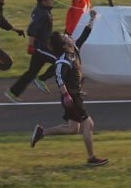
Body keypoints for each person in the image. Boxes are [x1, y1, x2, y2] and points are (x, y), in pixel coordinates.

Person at [30, 9, 108, 166]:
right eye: (67, 37)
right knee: (89, 124)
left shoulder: (75, 50)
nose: (70, 37)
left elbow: (85, 34)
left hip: (74, 95)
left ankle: (41, 132)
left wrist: (92, 19)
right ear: (66, 45)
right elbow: (58, 76)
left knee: (73, 128)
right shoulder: (63, 60)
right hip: (71, 98)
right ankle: (91, 158)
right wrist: (66, 95)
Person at [6, 0, 56, 101]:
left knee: (31, 72)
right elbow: (32, 30)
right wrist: (30, 45)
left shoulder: (40, 9)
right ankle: (42, 79)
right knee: (61, 61)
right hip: (41, 48)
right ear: (43, 1)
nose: (52, 0)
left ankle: (12, 92)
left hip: (41, 47)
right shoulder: (43, 14)